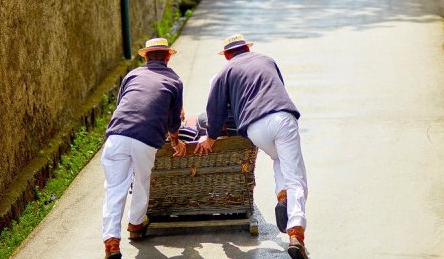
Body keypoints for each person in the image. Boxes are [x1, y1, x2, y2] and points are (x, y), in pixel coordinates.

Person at [195, 34, 309, 259]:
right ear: (247, 48)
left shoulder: (224, 73)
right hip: (281, 118)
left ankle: (283, 196)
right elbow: (278, 89)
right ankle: (296, 233)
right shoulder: (268, 60)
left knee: (278, 158)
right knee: (295, 176)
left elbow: (214, 111)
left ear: (226, 55)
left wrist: (210, 137)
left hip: (254, 128)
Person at [101, 38, 186, 259]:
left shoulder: (132, 75)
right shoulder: (174, 80)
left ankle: (111, 242)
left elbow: (122, 104)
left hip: (117, 135)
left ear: (146, 57)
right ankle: (135, 224)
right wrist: (175, 141)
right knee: (141, 180)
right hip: (146, 139)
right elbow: (174, 120)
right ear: (167, 57)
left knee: (114, 189)